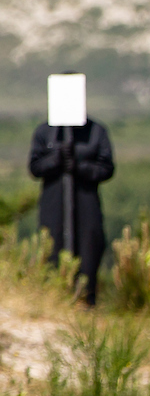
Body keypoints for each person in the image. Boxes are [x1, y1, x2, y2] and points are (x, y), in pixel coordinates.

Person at [28, 115, 115, 305]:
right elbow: (35, 167)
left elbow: (107, 168)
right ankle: (53, 300)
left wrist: (80, 167)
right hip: (53, 206)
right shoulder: (45, 131)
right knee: (52, 251)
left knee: (89, 251)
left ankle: (86, 303)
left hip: (87, 205)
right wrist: (55, 159)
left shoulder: (96, 131)